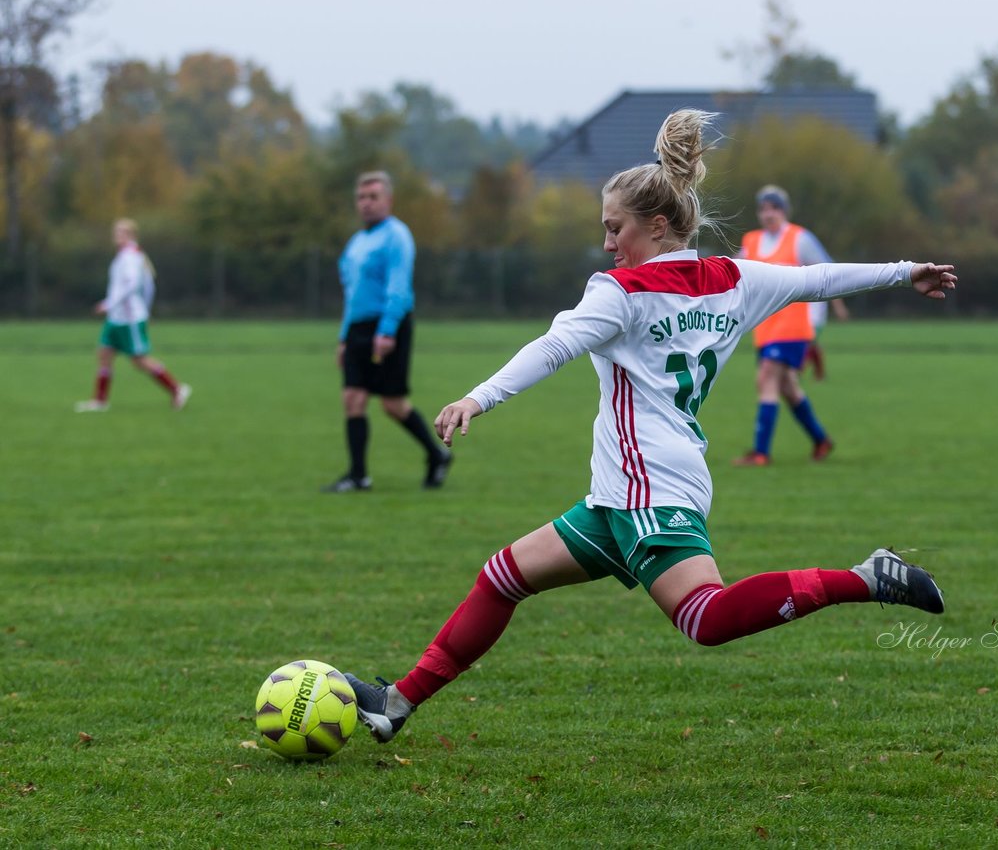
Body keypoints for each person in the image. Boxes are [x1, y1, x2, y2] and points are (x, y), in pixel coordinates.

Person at [342, 110, 957, 743]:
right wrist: (905, 272)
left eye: (616, 228)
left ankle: (864, 578)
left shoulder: (621, 291)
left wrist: (479, 397)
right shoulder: (736, 280)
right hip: (627, 489)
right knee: (502, 578)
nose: (608, 243)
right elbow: (819, 280)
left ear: (657, 225)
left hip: (647, 486)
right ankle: (398, 701)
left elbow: (554, 346)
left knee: (705, 617)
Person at [324, 170, 452, 493]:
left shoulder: (397, 235)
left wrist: (387, 330)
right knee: (352, 399)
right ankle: (358, 475)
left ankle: (437, 454)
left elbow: (398, 287)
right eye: (361, 198)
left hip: (389, 325)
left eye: (373, 197)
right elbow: (351, 294)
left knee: (392, 405)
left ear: (388, 200)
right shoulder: (356, 243)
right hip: (357, 327)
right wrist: (344, 336)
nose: (366, 204)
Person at [733, 185, 840, 465]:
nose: (768, 214)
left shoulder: (799, 238)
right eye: (763, 209)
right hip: (765, 325)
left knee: (766, 378)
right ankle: (821, 440)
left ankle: (760, 453)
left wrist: (820, 321)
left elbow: (826, 274)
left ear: (784, 210)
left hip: (793, 325)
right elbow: (738, 277)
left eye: (774, 208)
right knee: (788, 387)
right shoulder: (751, 241)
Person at [75, 219, 191, 413]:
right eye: (116, 232)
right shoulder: (127, 255)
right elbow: (146, 286)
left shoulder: (130, 256)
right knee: (104, 354)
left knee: (139, 360)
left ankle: (177, 389)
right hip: (117, 317)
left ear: (131, 235)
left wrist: (110, 304)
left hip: (129, 318)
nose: (117, 236)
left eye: (121, 232)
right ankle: (100, 401)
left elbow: (133, 286)